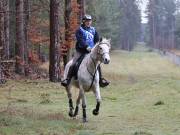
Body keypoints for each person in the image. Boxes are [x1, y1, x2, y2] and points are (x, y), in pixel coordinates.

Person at [61, 14, 110, 87]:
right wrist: (86, 46)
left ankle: (101, 80)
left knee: (97, 64)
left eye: (90, 21)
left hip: (91, 52)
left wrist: (97, 46)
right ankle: (68, 79)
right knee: (74, 63)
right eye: (87, 21)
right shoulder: (80, 30)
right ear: (83, 21)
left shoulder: (93, 30)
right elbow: (80, 40)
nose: (88, 22)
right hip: (81, 51)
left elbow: (97, 40)